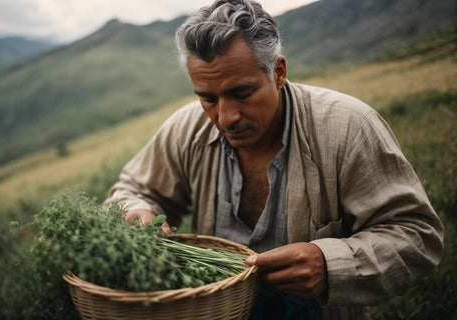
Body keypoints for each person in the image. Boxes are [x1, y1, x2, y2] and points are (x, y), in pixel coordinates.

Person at [105, 0, 444, 319]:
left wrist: (330, 265)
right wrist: (136, 209)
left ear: (278, 73)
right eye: (207, 98)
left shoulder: (349, 128)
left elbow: (416, 235)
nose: (225, 118)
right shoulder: (186, 128)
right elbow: (134, 189)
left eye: (242, 93)